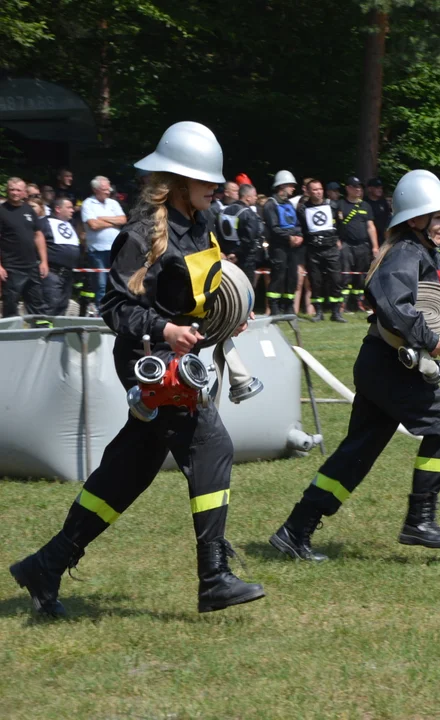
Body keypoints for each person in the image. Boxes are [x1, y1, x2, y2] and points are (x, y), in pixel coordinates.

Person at [9, 121, 265, 617]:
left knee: (130, 469)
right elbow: (114, 308)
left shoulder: (200, 224)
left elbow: (199, 290)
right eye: (206, 179)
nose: (216, 186)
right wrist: (166, 331)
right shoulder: (141, 233)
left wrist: (228, 312)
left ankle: (48, 564)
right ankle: (213, 577)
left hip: (182, 358)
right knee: (213, 445)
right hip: (150, 362)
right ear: (178, 180)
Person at [269, 170, 440, 560]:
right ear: (415, 220)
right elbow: (395, 307)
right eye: (437, 217)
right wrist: (430, 340)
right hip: (390, 366)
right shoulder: (405, 254)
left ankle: (294, 531)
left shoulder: (416, 253)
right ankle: (420, 520)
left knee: (357, 453)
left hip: (380, 365)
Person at [298, 179, 345, 323]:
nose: (318, 192)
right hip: (313, 249)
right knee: (315, 281)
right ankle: (318, 311)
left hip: (331, 248)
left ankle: (336, 312)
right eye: (314, 190)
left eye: (320, 189)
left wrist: (338, 239)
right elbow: (301, 228)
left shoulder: (333, 205)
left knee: (336, 279)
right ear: (308, 191)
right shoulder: (303, 208)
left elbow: (341, 226)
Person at [0, 177, 49, 317]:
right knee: (10, 303)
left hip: (32, 266)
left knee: (37, 302)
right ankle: (10, 336)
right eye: (12, 189)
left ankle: (41, 333)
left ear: (24, 193)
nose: (15, 193)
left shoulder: (29, 209)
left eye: (18, 190)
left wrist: (44, 261)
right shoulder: (2, 211)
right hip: (11, 267)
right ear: (7, 191)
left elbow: (38, 235)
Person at [81, 175, 128, 312]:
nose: (108, 192)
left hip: (115, 249)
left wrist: (102, 218)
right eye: (104, 189)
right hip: (97, 250)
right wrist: (113, 221)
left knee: (116, 281)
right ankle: (102, 312)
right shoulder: (88, 204)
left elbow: (123, 220)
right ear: (96, 190)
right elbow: (93, 225)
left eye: (109, 189)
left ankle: (116, 310)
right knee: (101, 284)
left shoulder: (113, 203)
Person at [263, 170, 303, 314]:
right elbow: (273, 228)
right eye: (291, 186)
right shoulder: (270, 204)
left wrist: (299, 236)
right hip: (278, 247)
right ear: (282, 186)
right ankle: (274, 306)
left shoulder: (289, 204)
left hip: (292, 247)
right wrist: (289, 237)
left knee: (292, 275)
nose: (293, 188)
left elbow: (296, 223)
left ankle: (289, 305)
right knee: (278, 275)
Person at [337, 176, 379, 312]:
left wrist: (375, 246)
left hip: (363, 245)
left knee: (361, 276)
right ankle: (343, 304)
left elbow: (370, 227)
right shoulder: (340, 204)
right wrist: (337, 241)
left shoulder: (365, 206)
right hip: (346, 245)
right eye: (355, 187)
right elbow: (335, 226)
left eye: (360, 187)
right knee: (346, 274)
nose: (358, 189)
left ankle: (358, 303)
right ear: (348, 188)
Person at [40, 197, 81, 315]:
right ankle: (43, 331)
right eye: (68, 207)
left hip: (67, 274)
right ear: (58, 209)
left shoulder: (69, 224)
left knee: (62, 306)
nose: (72, 210)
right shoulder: (44, 223)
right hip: (52, 272)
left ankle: (57, 333)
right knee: (50, 305)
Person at [221, 183, 264, 284]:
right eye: (254, 195)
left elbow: (219, 234)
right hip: (244, 259)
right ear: (248, 198)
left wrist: (228, 252)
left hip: (226, 257)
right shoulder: (249, 213)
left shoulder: (223, 211)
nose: (256, 198)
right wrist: (236, 254)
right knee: (246, 290)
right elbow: (250, 238)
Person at [366, 178, 393, 248]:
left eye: (381, 188)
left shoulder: (383, 202)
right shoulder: (364, 203)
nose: (380, 190)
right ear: (369, 189)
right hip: (368, 238)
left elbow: (388, 219)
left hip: (382, 237)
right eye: (377, 188)